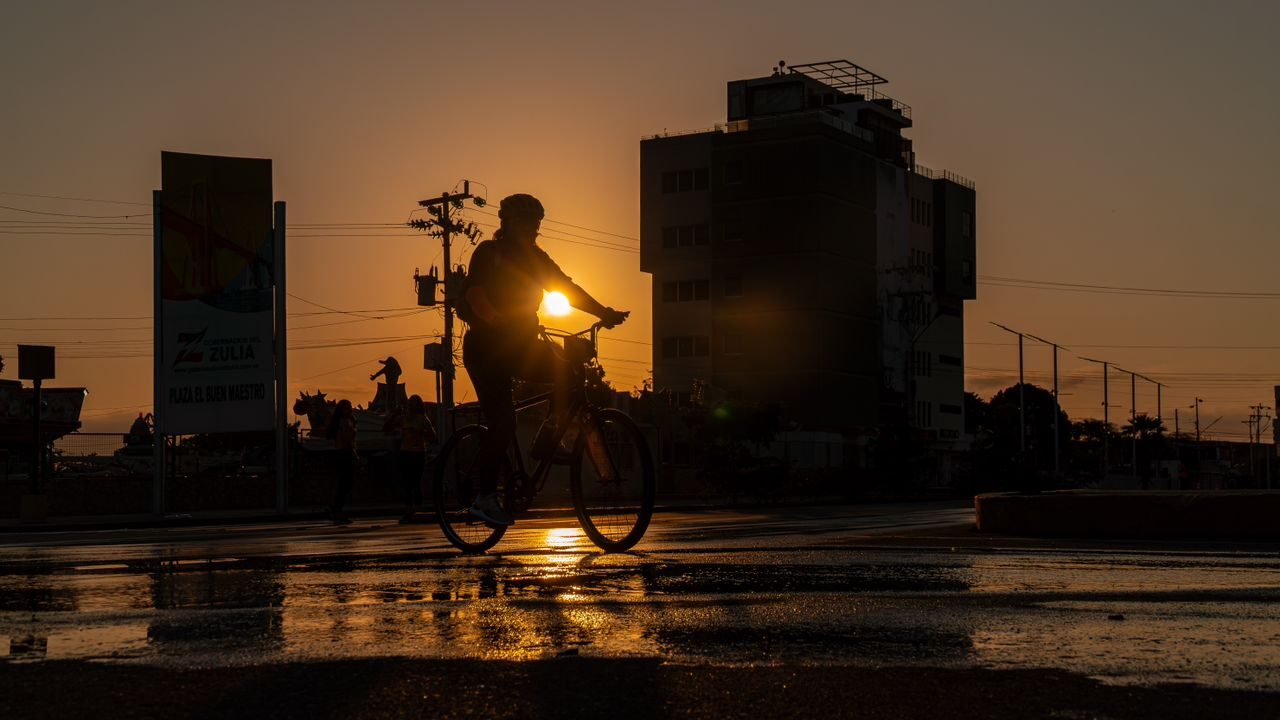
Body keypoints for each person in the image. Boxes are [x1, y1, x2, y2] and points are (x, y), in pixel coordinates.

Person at [461, 193, 628, 526]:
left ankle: (547, 437)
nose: (532, 228)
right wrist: (493, 318)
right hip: (486, 350)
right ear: (506, 223)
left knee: (569, 372)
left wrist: (603, 312)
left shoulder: (537, 259)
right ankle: (484, 498)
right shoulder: (490, 253)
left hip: (520, 348)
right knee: (503, 422)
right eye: (525, 222)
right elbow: (474, 293)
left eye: (536, 222)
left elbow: (566, 288)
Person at [386, 394, 436, 523]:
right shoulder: (403, 419)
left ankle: (417, 509)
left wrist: (420, 432)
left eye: (415, 403)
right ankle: (409, 509)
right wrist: (394, 414)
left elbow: (433, 436)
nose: (412, 405)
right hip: (405, 452)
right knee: (406, 483)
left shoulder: (423, 419)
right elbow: (386, 428)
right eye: (411, 402)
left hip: (419, 453)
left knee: (416, 481)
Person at [326, 399, 358, 525]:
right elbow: (346, 439)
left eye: (350, 407)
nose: (349, 409)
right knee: (346, 483)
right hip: (345, 453)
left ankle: (335, 507)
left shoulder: (346, 421)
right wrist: (353, 453)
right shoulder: (344, 422)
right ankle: (336, 508)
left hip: (342, 453)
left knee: (343, 483)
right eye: (347, 407)